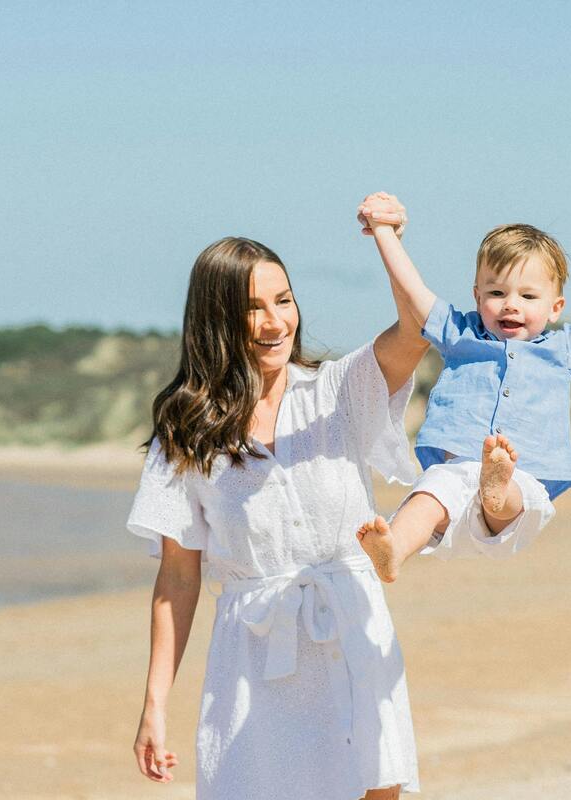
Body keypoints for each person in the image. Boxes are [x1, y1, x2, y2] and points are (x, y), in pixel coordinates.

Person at [126, 235, 427, 800]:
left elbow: (419, 327)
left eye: (283, 301)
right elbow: (178, 577)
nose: (275, 322)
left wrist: (387, 236)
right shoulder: (185, 432)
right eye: (252, 309)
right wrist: (154, 705)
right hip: (252, 662)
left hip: (352, 635)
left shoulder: (340, 390)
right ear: (215, 320)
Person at [352, 192, 571, 580]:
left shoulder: (563, 349)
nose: (511, 304)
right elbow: (412, 288)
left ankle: (497, 489)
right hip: (457, 465)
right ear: (477, 296)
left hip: (525, 471)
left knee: (513, 498)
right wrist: (384, 232)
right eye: (497, 293)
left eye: (528, 296)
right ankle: (394, 551)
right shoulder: (459, 334)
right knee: (427, 498)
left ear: (556, 307)